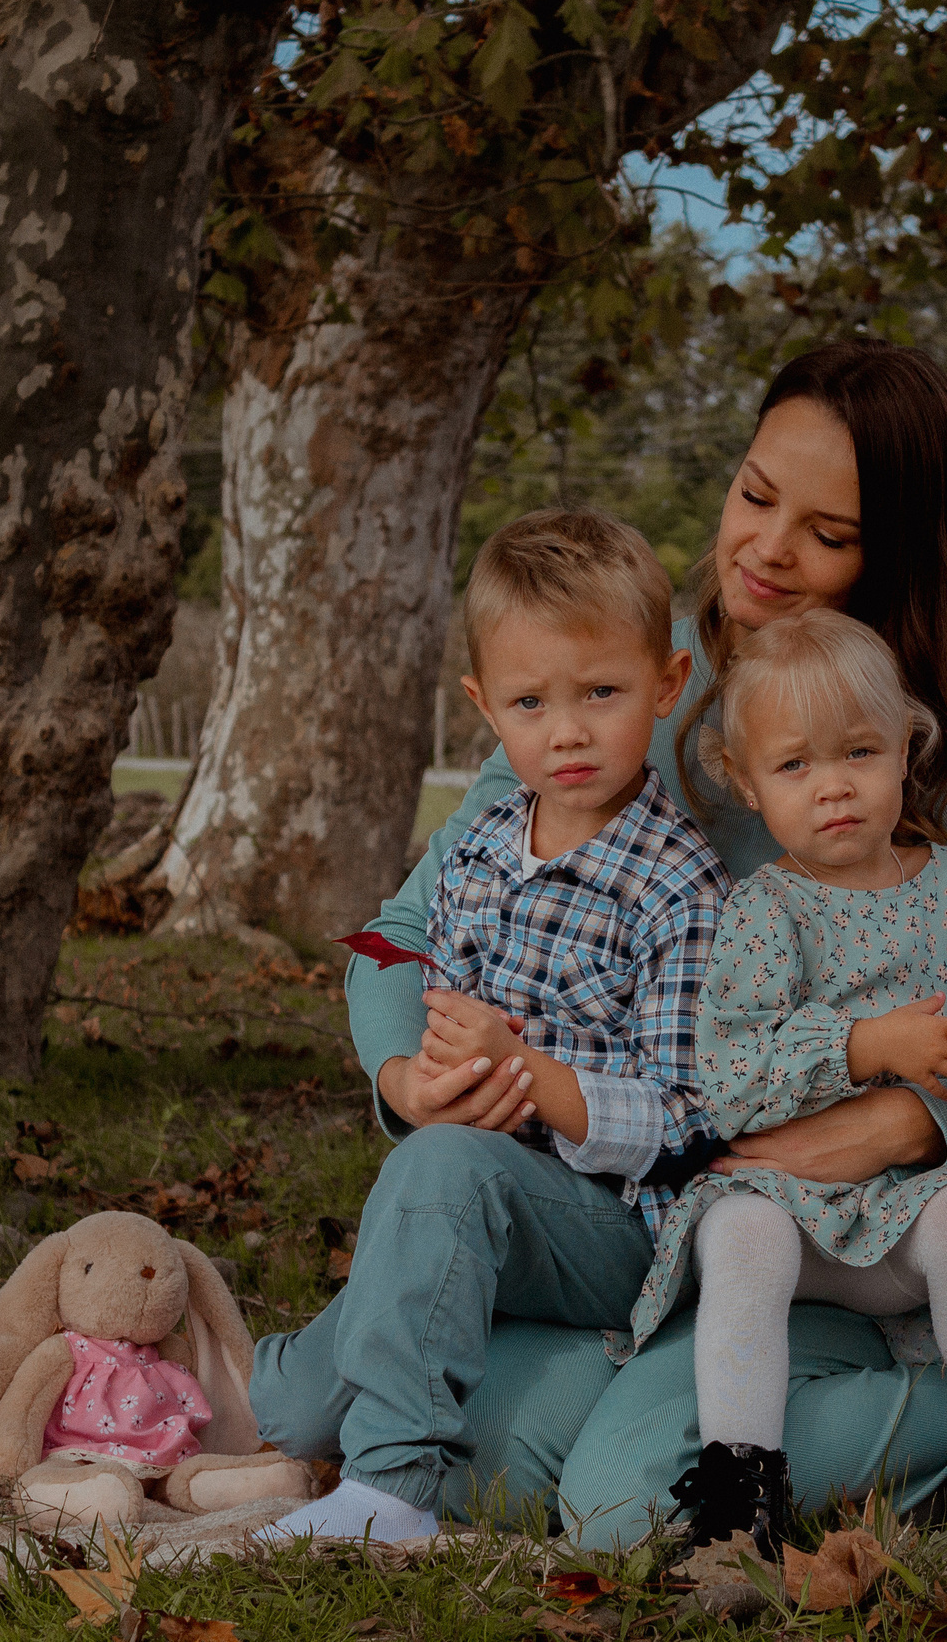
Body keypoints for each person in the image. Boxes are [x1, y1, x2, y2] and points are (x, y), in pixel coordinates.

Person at [263, 339, 947, 1542]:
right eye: (755, 495)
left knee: (618, 1506)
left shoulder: (927, 752)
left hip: (811, 1228)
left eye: (827, 532)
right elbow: (402, 928)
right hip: (605, 1197)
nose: (766, 546)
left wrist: (889, 1120)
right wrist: (405, 1075)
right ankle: (591, 1391)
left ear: (891, 550)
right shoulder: (611, 686)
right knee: (302, 1405)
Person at [254, 509, 732, 1543]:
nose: (566, 730)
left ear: (666, 684)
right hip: (479, 1198)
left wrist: (525, 1074)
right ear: (485, 707)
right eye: (531, 701)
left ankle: (392, 1488)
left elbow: (689, 1116)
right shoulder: (475, 849)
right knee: (288, 1414)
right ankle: (207, 1365)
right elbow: (401, 961)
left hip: (620, 1229)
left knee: (443, 1170)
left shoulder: (678, 885)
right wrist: (423, 1076)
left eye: (601, 693)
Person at [634, 609, 947, 1573]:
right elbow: (732, 1079)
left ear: (906, 752)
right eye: (794, 767)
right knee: (740, 1229)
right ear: (747, 784)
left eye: (860, 751)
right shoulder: (766, 911)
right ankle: (736, 1510)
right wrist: (869, 1043)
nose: (833, 785)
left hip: (898, 1216)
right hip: (787, 1213)